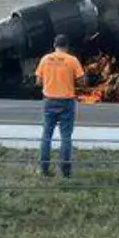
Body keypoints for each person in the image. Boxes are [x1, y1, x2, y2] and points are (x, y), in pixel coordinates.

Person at [35, 34, 86, 177]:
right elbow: (82, 81)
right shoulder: (72, 60)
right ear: (67, 46)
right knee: (66, 136)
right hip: (66, 102)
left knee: (47, 135)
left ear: (54, 45)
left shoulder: (45, 59)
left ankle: (44, 169)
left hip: (49, 100)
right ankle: (65, 171)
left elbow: (38, 81)